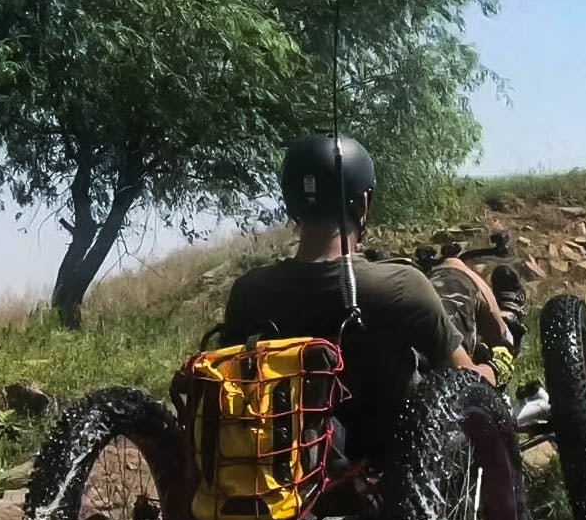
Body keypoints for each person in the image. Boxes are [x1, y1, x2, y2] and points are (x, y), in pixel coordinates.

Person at [221, 135, 524, 403]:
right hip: (402, 442)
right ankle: (508, 335)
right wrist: (495, 367)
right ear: (363, 203)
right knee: (455, 271)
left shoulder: (247, 293)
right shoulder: (403, 286)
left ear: (291, 203)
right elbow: (467, 383)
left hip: (291, 446)